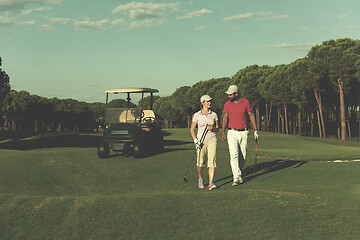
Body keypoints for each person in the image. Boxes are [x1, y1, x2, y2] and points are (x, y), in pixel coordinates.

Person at [221, 85, 259, 186]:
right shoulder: (227, 104)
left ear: (236, 94)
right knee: (234, 156)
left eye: (230, 94)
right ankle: (236, 177)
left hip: (244, 132)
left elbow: (251, 115)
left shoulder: (245, 102)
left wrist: (255, 129)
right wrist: (223, 132)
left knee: (243, 156)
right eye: (228, 94)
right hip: (232, 132)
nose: (229, 96)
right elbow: (225, 118)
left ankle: (239, 173)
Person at [190, 95, 219, 190]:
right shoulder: (197, 115)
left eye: (210, 101)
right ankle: (200, 179)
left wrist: (213, 128)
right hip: (200, 141)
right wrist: (195, 140)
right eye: (207, 101)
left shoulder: (214, 114)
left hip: (212, 140)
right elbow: (192, 129)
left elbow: (217, 129)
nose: (209, 103)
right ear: (202, 103)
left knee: (212, 162)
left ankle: (211, 183)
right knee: (200, 162)